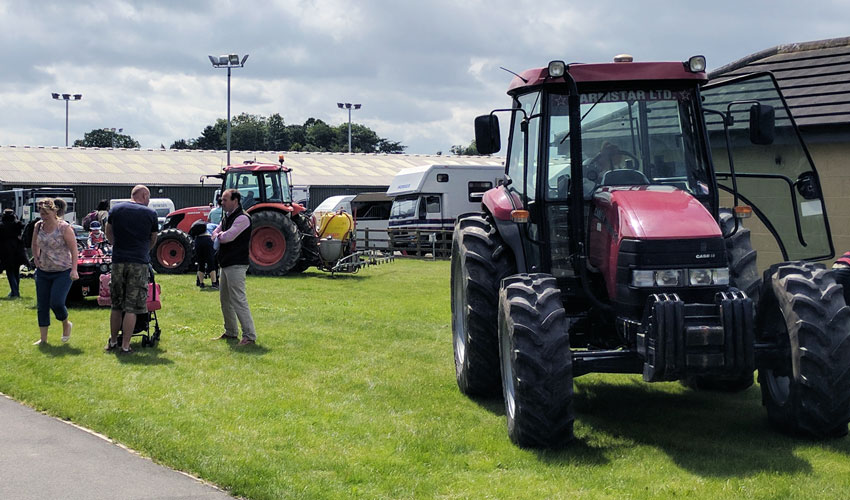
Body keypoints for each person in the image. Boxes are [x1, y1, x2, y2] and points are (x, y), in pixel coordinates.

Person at [105, 185, 158, 354]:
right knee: (132, 307)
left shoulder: (116, 209)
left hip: (118, 260)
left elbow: (108, 232)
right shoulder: (150, 214)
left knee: (116, 305)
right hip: (138, 262)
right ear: (143, 195)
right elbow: (153, 238)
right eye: (148, 197)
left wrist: (117, 246)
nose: (148, 201)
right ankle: (126, 345)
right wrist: (143, 250)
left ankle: (113, 341)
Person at [30, 199, 78, 345]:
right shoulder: (38, 226)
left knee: (56, 302)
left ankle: (66, 323)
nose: (43, 216)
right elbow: (34, 243)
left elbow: (74, 249)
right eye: (41, 213)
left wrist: (74, 269)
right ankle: (43, 339)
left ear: (54, 211)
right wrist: (36, 258)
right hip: (44, 270)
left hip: (63, 270)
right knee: (42, 305)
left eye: (46, 213)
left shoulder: (64, 227)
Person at [212, 189, 256, 345]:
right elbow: (215, 231)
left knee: (238, 300)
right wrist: (219, 234)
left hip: (236, 265)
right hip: (225, 263)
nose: (221, 203)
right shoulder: (227, 217)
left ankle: (249, 336)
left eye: (224, 200)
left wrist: (219, 235)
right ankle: (231, 332)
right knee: (225, 300)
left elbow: (227, 237)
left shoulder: (242, 218)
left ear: (235, 201)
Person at [0, 209, 26, 298]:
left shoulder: (1, 226)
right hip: (17, 249)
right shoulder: (18, 225)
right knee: (16, 271)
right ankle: (15, 290)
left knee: (9, 271)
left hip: (5, 250)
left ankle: (15, 291)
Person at [189, 219, 218, 289]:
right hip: (207, 239)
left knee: (200, 263)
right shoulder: (211, 225)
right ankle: (214, 283)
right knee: (211, 263)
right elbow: (218, 228)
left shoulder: (196, 229)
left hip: (198, 241)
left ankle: (201, 283)